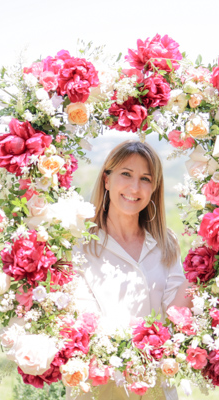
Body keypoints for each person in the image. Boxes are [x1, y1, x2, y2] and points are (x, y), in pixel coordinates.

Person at [68, 140, 191, 400]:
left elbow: (176, 313)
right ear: (106, 180)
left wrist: (202, 269)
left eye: (145, 179)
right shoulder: (80, 242)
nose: (135, 188)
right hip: (98, 384)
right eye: (126, 174)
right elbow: (83, 317)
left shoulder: (165, 243)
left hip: (155, 383)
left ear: (154, 188)